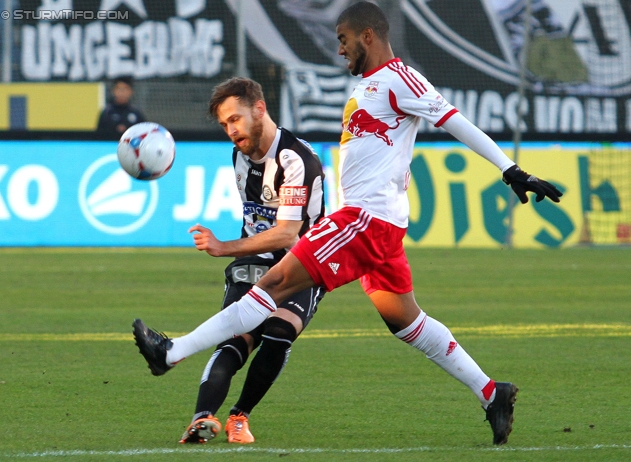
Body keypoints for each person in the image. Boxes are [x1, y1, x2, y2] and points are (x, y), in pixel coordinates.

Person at [133, 1, 563, 445]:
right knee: (406, 322)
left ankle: (173, 352)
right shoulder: (371, 86)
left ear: (369, 36)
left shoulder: (398, 78)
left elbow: (454, 120)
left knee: (275, 282)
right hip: (378, 224)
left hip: (365, 219)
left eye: (343, 39)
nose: (339, 50)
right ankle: (492, 393)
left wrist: (509, 168)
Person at [134, 77, 326, 445]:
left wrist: (223, 246)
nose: (231, 130)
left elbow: (288, 233)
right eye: (224, 124)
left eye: (235, 119)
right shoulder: (239, 155)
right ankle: (201, 419)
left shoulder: (296, 159)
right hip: (253, 259)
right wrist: (241, 250)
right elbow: (256, 217)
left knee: (279, 334)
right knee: (237, 339)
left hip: (301, 264)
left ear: (259, 109)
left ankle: (240, 416)